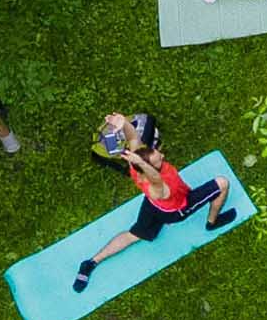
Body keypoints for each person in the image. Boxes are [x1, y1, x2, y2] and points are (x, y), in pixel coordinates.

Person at [71, 116, 238, 293]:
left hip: (151, 206)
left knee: (133, 235)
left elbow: (133, 137)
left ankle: (92, 262)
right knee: (222, 183)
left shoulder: (136, 168)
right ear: (150, 167)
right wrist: (143, 162)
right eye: (159, 159)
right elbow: (157, 178)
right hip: (176, 209)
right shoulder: (159, 187)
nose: (163, 156)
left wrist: (122, 123)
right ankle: (212, 222)